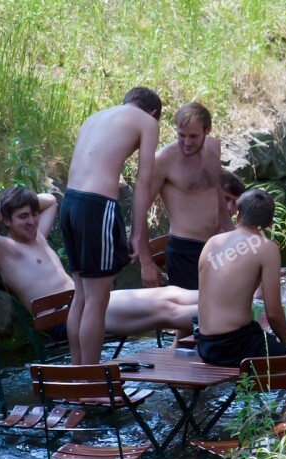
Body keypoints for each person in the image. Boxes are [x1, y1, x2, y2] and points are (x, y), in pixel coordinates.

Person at [0, 187, 199, 344]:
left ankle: (223, 301)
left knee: (167, 294)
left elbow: (50, 201)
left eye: (33, 214)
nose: (32, 221)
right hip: (66, 318)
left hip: (83, 305)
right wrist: (0, 209)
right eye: (23, 217)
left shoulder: (38, 237)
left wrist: (22, 204)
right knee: (165, 309)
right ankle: (226, 316)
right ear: (7, 220)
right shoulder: (5, 250)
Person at [61, 86, 162, 364]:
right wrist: (137, 234)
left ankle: (78, 374)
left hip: (69, 203)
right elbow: (144, 183)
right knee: (97, 300)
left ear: (128, 102)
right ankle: (90, 379)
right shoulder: (148, 122)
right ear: (154, 112)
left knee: (81, 295)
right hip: (96, 206)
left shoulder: (94, 118)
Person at [196, 188, 286, 367]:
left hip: (205, 344)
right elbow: (273, 313)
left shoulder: (212, 243)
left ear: (238, 216)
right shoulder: (267, 248)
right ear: (270, 222)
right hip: (236, 346)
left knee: (271, 344)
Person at [147, 102, 234, 290]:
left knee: (222, 308)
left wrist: (231, 231)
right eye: (181, 135)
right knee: (193, 315)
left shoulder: (214, 147)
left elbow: (215, 190)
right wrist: (146, 263)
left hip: (215, 246)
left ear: (207, 130)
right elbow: (139, 211)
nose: (187, 143)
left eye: (193, 136)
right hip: (184, 250)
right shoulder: (163, 160)